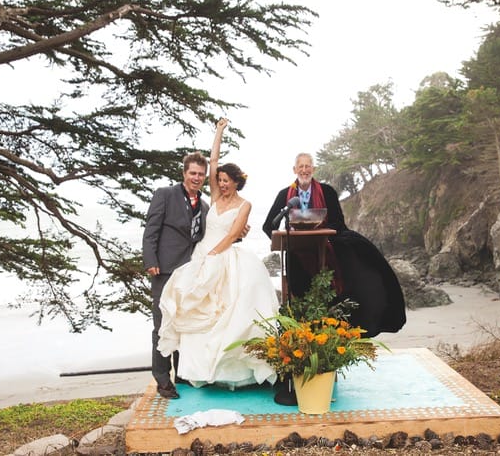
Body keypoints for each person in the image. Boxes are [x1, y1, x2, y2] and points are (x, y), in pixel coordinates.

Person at [156, 118, 280, 391]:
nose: (221, 184)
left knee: (230, 310)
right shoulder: (212, 197)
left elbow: (233, 234)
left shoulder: (245, 205)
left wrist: (213, 254)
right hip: (201, 253)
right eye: (220, 180)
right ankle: (195, 369)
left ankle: (233, 370)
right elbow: (213, 162)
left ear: (236, 183)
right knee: (195, 304)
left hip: (222, 254)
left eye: (226, 181)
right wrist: (219, 132)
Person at [263, 152, 406, 337]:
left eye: (308, 166)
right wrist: (284, 240)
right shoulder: (285, 195)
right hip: (297, 250)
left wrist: (320, 231)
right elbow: (269, 225)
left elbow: (338, 221)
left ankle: (345, 324)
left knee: (355, 256)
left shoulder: (327, 191)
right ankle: (302, 330)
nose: (304, 170)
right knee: (296, 278)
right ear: (294, 170)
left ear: (313, 169)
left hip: (326, 245)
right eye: (301, 167)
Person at [142, 149, 211, 399]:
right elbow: (151, 229)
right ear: (184, 173)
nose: (196, 177)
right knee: (162, 324)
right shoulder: (165, 194)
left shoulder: (204, 205)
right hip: (164, 269)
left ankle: (182, 373)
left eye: (201, 174)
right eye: (193, 173)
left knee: (184, 323)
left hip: (189, 273)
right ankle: (162, 379)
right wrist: (150, 259)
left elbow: (205, 238)